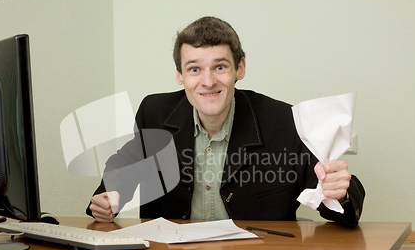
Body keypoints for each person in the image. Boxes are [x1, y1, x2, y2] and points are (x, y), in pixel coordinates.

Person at [87, 16, 365, 226]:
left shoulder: (283, 121)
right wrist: (110, 197)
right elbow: (125, 167)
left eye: (220, 67)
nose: (208, 81)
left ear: (239, 68)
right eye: (194, 69)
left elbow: (339, 206)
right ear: (179, 75)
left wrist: (340, 192)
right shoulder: (155, 112)